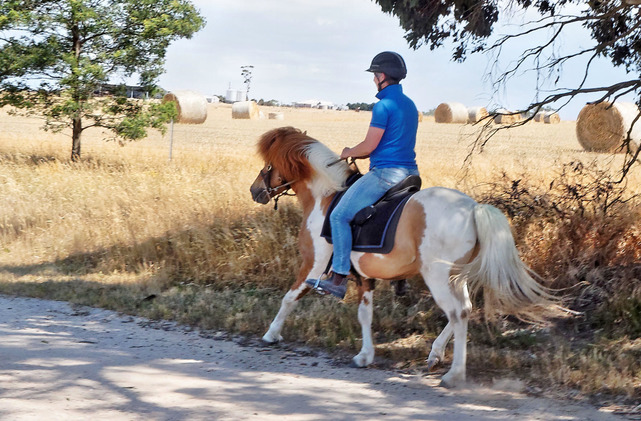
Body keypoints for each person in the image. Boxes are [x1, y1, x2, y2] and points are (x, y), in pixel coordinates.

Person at [306, 51, 420, 299]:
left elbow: (369, 147)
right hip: (411, 174)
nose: (373, 80)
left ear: (381, 76)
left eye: (374, 75)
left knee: (338, 216)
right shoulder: (410, 105)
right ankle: (399, 277)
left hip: (386, 174)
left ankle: (338, 278)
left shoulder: (383, 106)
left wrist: (349, 152)